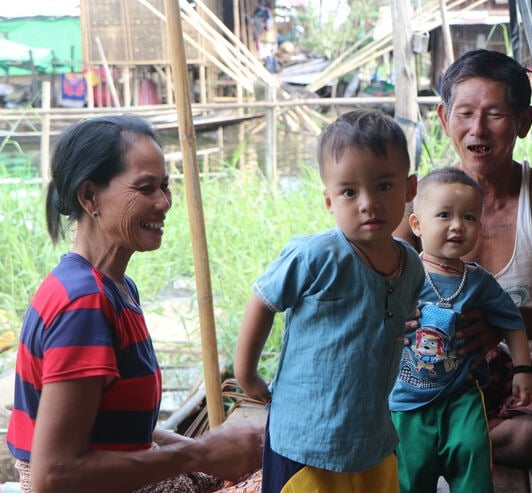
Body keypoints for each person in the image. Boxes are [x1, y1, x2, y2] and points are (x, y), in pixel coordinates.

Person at [6, 115, 263, 493]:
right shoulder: (83, 303)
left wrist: (199, 449)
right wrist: (200, 454)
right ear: (89, 196)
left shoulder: (116, 288)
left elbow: (112, 426)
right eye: (145, 188)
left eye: (164, 186)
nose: (164, 202)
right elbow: (54, 477)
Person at [398, 49, 532, 467]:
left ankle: (440, 444)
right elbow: (377, 281)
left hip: (528, 367)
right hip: (425, 368)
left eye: (495, 115)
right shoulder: (416, 200)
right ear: (445, 119)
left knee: (530, 431)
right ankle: (451, 441)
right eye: (464, 113)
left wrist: (499, 326)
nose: (477, 129)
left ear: (524, 122)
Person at [234, 109, 424, 493]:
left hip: (370, 436)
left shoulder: (411, 265)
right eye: (349, 192)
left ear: (409, 189)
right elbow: (263, 300)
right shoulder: (317, 255)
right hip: (306, 439)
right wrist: (246, 374)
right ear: (328, 200)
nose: (368, 203)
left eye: (384, 186)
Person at [389, 166, 532, 492]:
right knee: (410, 476)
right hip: (405, 399)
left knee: (473, 454)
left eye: (469, 218)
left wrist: (523, 369)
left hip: (460, 395)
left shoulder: (477, 280)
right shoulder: (401, 274)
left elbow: (512, 320)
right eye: (444, 215)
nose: (458, 225)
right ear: (417, 224)